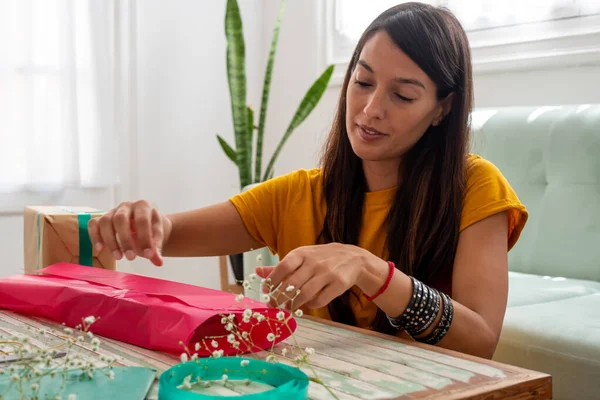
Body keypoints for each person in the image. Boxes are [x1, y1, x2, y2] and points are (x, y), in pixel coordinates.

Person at [88, 2, 527, 360]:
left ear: (443, 108)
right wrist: (142, 221)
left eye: (403, 95)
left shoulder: (475, 186)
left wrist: (370, 269)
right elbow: (170, 233)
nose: (371, 108)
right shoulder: (300, 194)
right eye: (363, 81)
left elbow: (480, 340)